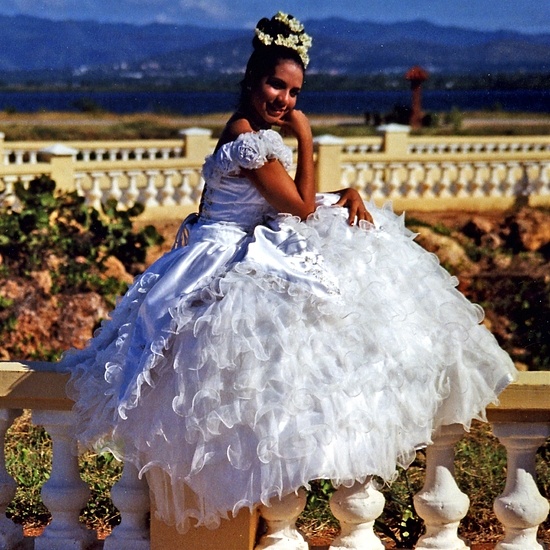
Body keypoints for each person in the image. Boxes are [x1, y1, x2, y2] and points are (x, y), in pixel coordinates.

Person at [63, 12, 517, 534]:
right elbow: (299, 209)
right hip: (220, 253)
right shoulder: (252, 140)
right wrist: (306, 137)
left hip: (224, 239)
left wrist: (337, 193)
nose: (285, 100)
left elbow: (278, 204)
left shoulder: (247, 133)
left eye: (295, 93)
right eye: (277, 85)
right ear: (252, 81)